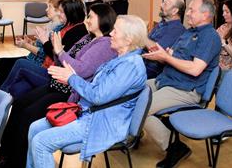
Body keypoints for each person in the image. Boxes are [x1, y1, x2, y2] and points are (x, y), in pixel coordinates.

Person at [0, 3, 117, 168]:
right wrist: (58, 52)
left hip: (70, 92)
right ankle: (5, 154)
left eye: (90, 17)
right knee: (20, 103)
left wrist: (59, 51)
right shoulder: (88, 37)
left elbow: (79, 69)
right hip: (58, 83)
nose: (86, 20)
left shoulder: (104, 44)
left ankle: (15, 162)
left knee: (28, 116)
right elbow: (61, 61)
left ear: (103, 20)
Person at [26, 15, 147, 168]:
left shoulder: (130, 65)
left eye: (115, 31)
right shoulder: (121, 58)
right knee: (34, 128)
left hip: (101, 121)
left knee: (40, 142)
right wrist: (72, 77)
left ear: (128, 39)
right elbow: (98, 88)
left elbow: (97, 96)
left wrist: (72, 78)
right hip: (89, 112)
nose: (110, 34)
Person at [142, 0, 221, 168]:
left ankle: (175, 148)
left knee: (142, 107)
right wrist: (163, 55)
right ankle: (135, 134)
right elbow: (173, 56)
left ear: (206, 14)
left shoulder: (209, 36)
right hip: (168, 80)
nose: (188, 14)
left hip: (186, 88)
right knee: (132, 92)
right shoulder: (189, 32)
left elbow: (195, 69)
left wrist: (166, 57)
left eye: (192, 10)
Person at [0, 0, 88, 97]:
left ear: (71, 13)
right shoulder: (67, 27)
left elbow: (59, 57)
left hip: (54, 76)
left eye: (62, 12)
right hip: (48, 69)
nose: (59, 14)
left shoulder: (77, 32)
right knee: (17, 90)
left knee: (20, 64)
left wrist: (44, 40)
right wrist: (38, 41)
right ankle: (0, 99)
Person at [0, 0, 63, 88]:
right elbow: (42, 45)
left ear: (58, 11)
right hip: (32, 58)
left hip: (37, 63)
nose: (46, 9)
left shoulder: (57, 30)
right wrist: (30, 42)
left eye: (49, 7)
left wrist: (25, 45)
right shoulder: (51, 25)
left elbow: (44, 53)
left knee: (3, 65)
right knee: (1, 63)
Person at [145, 0, 186, 79]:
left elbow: (156, 50)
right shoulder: (163, 23)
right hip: (144, 61)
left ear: (174, 11)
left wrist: (140, 36)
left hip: (153, 69)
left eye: (165, 4)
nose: (161, 5)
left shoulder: (177, 29)